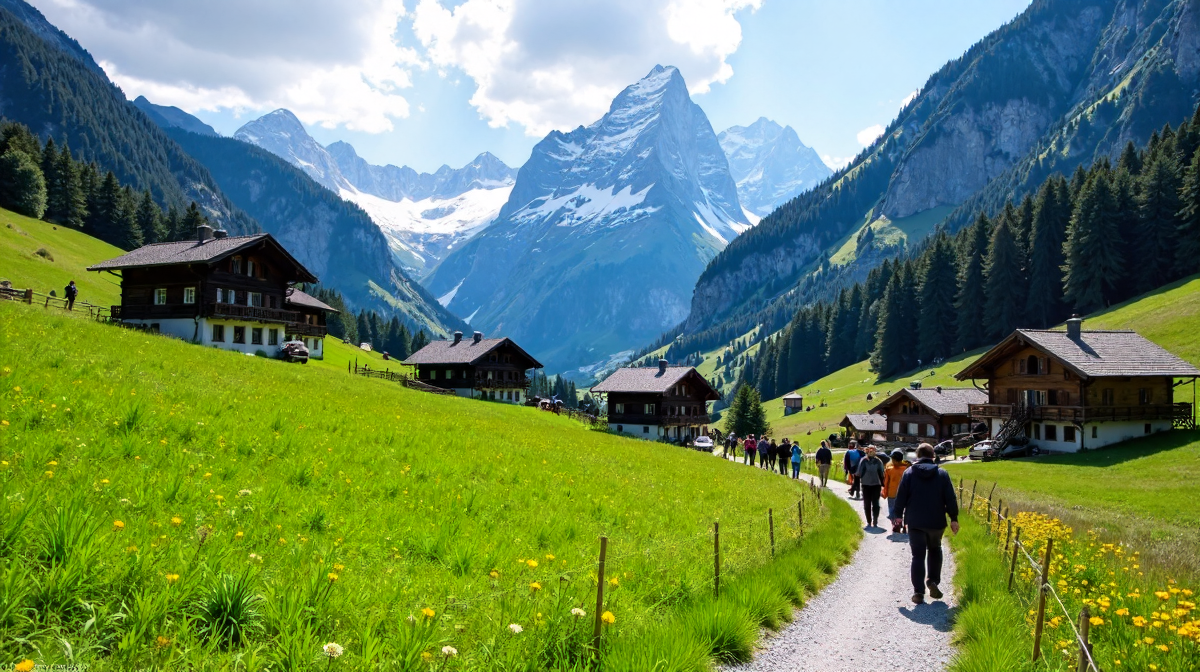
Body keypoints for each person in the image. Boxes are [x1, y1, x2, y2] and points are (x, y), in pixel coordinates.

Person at [893, 443, 960, 605]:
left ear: (917, 456)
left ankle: (918, 592)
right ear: (933, 456)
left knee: (918, 555)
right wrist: (954, 518)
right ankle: (933, 581)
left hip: (915, 521)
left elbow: (901, 495)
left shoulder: (909, 473)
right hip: (936, 521)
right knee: (935, 549)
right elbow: (950, 498)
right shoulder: (942, 474)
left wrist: (897, 515)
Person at [855, 445, 886, 527]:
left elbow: (859, 473)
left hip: (869, 485)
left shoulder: (864, 461)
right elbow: (882, 474)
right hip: (873, 485)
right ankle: (872, 520)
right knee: (873, 503)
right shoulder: (878, 461)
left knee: (869, 503)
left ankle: (871, 521)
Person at [884, 449, 911, 533]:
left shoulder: (889, 469)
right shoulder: (908, 468)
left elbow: (886, 483)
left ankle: (896, 524)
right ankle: (905, 525)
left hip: (892, 493)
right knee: (906, 510)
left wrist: (885, 493)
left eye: (892, 459)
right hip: (906, 494)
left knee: (892, 509)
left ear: (894, 460)